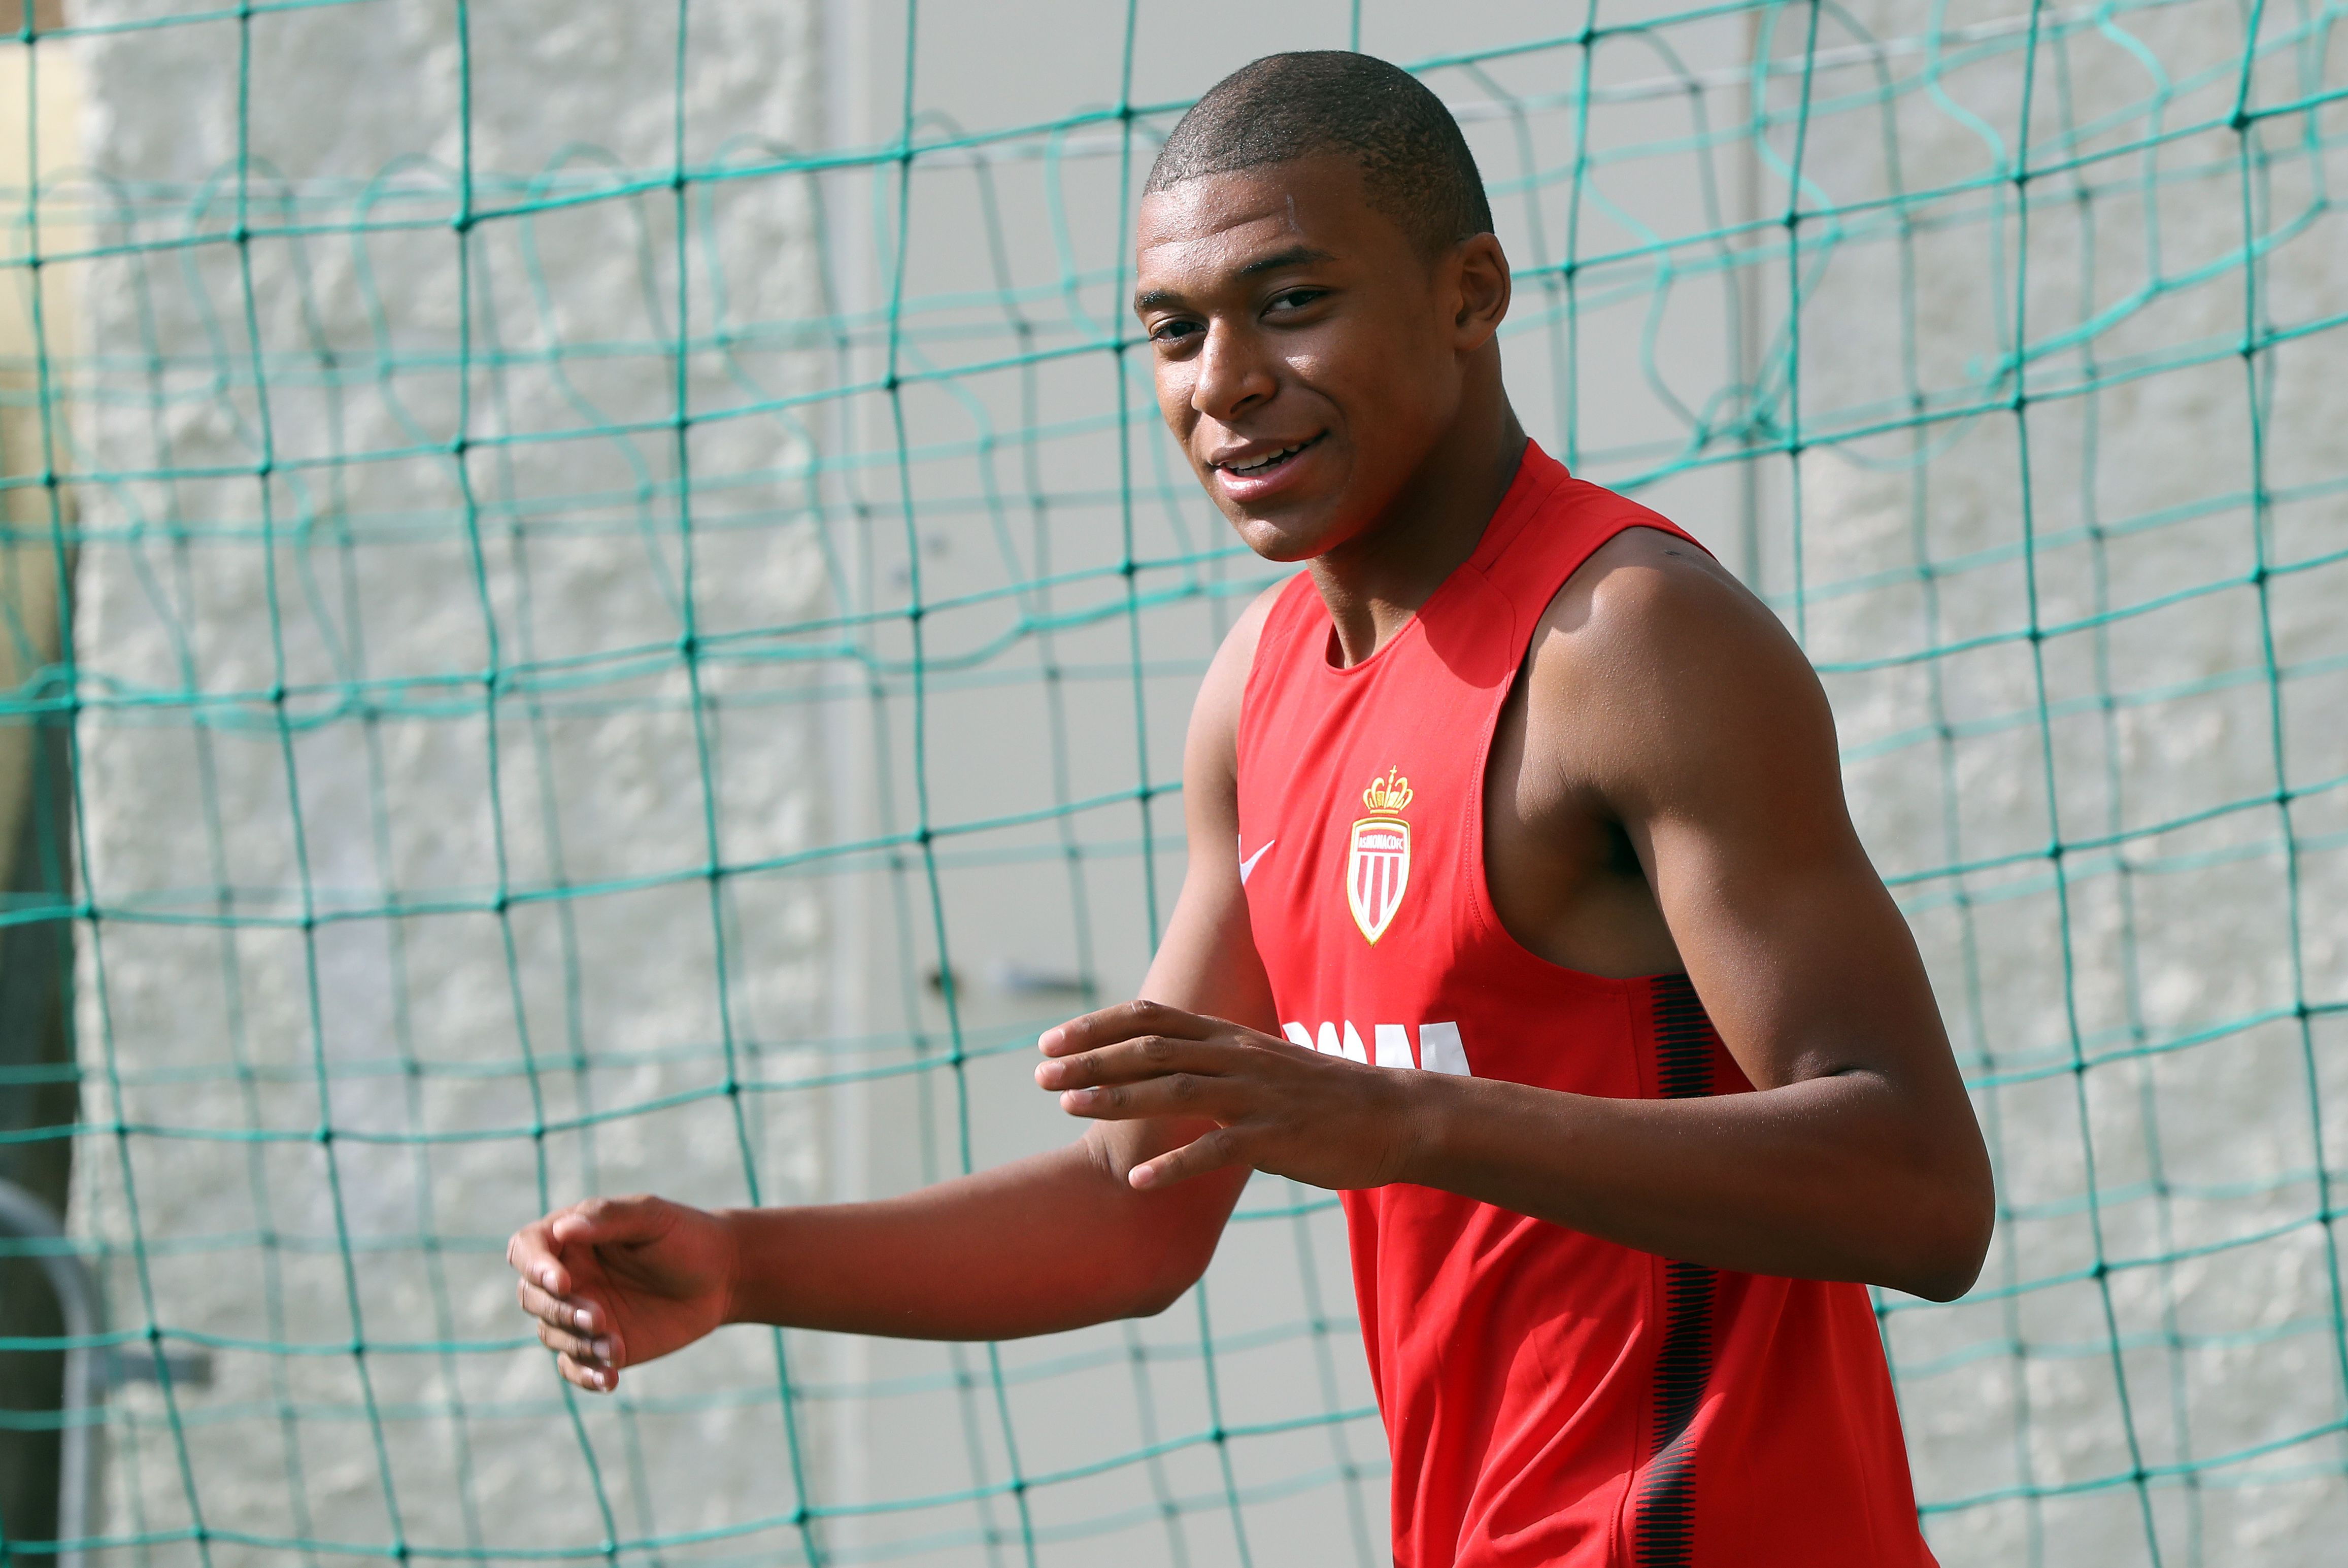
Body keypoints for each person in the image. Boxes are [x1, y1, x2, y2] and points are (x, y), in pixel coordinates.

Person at [508, 51, 1992, 1567]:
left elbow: (1920, 1192)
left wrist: (1409, 1118)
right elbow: (1139, 1205)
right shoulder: (1259, 684)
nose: (1220, 380)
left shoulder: (1628, 642)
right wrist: (742, 1264)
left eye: (1290, 302)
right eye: (1173, 330)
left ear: (1467, 291)